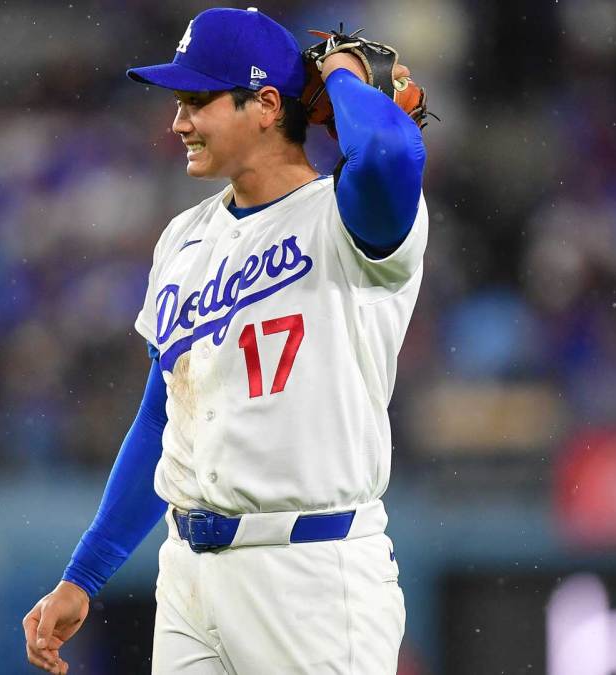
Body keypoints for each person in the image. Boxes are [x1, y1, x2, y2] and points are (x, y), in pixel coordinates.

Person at [22, 7, 427, 674]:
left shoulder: (347, 220)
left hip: (311, 576)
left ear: (266, 105)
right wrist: (84, 574)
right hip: (188, 575)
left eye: (197, 101)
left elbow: (389, 150)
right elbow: (163, 419)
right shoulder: (183, 240)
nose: (178, 123)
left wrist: (343, 73)